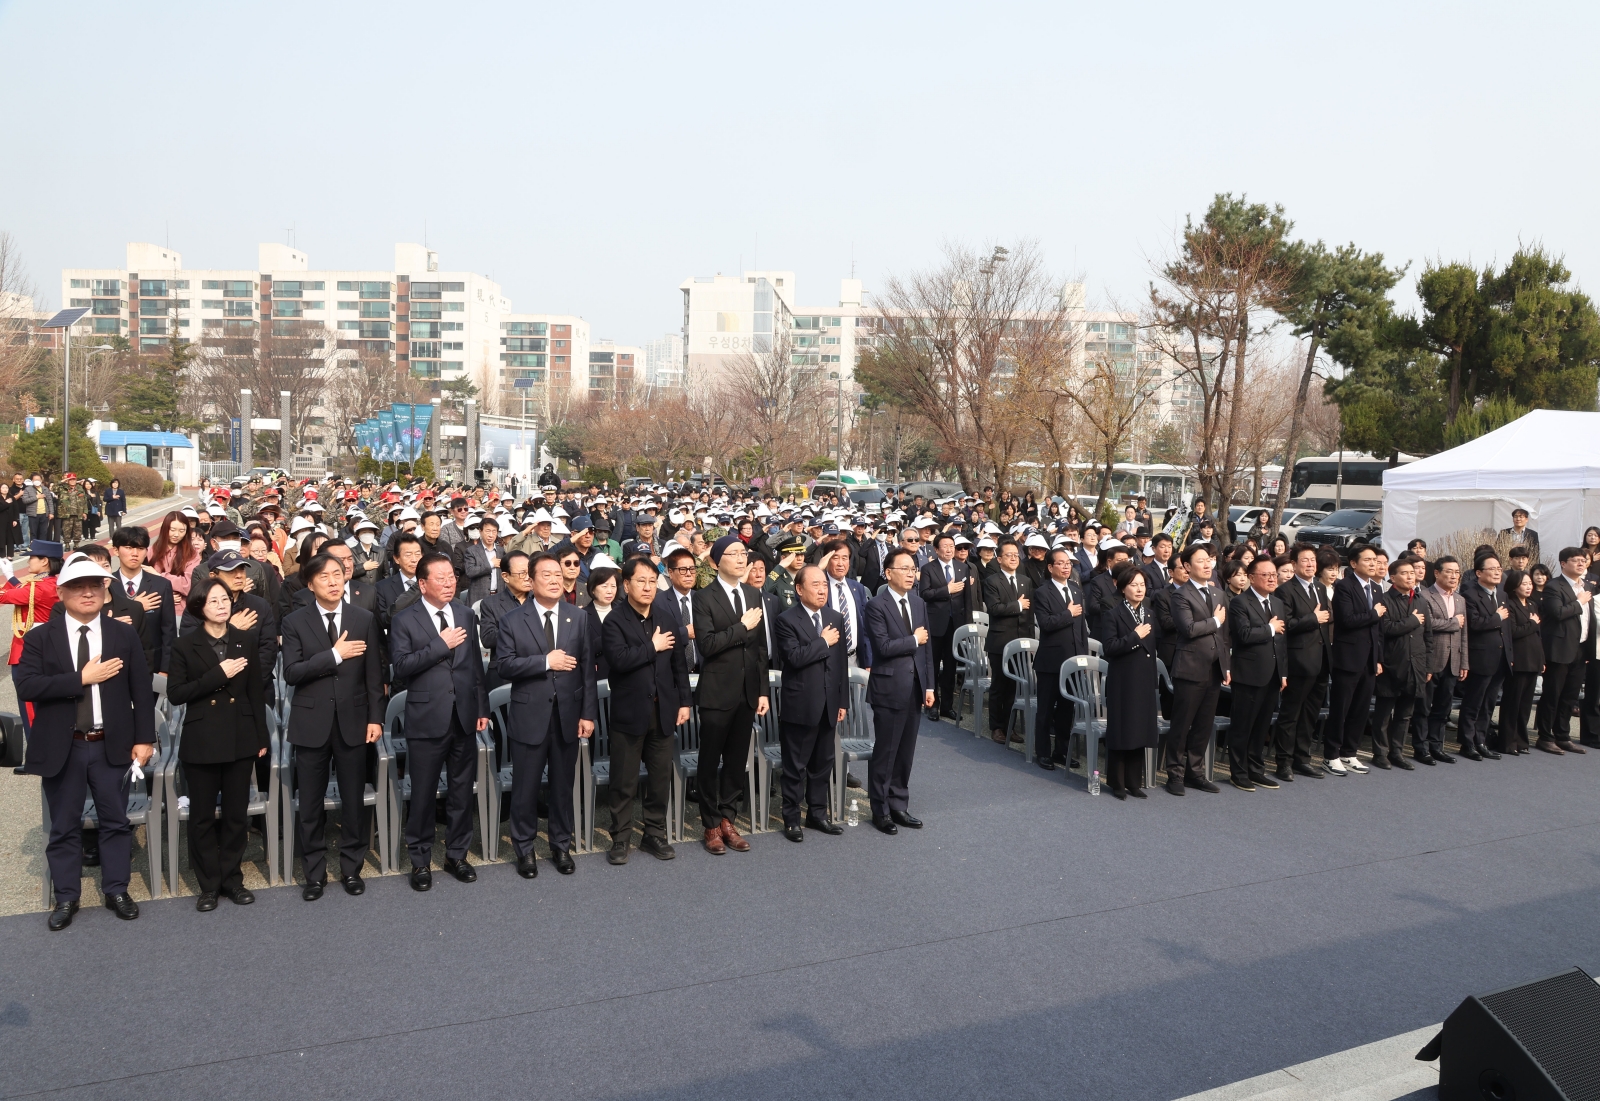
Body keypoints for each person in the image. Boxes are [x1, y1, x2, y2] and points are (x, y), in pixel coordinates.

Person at [17, 554, 155, 930]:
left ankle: (116, 889)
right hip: (65, 746)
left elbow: (142, 692)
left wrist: (145, 738)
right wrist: (81, 678)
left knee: (115, 821)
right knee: (64, 825)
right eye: (77, 586)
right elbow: (27, 685)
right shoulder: (40, 637)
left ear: (104, 589)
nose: (87, 592)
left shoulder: (122, 634)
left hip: (111, 744)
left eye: (94, 584)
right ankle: (66, 897)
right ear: (61, 592)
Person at [281, 551, 385, 899]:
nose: (333, 581)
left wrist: (375, 717)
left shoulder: (362, 617)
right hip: (311, 723)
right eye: (324, 576)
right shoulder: (295, 621)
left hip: (354, 721)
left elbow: (374, 675)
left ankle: (352, 868)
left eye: (338, 574)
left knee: (353, 800)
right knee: (310, 803)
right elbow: (292, 672)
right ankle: (314, 873)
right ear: (310, 584)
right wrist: (335, 655)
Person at [389, 551, 491, 890]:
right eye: (441, 578)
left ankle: (457, 854)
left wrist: (481, 708)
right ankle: (419, 860)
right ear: (422, 584)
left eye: (452, 577)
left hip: (463, 715)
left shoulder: (464, 613)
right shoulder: (405, 619)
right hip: (426, 718)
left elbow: (475, 666)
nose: (450, 583)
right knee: (422, 793)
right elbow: (401, 668)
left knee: (462, 791)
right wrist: (439, 645)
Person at [166, 576, 268, 911]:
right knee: (202, 817)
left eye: (225, 599)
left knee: (237, 816)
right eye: (214, 601)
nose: (222, 605)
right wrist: (218, 675)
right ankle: (208, 884)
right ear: (199, 606)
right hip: (202, 738)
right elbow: (177, 694)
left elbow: (255, 691)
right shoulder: (185, 645)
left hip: (240, 735)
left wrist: (261, 736)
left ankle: (232, 880)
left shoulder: (245, 640)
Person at [495, 551, 598, 878]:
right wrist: (544, 661)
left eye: (559, 574)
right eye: (547, 575)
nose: (555, 580)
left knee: (562, 786)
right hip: (530, 716)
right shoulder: (513, 619)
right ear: (530, 579)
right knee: (524, 788)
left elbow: (587, 671)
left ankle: (560, 844)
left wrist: (588, 713)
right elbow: (504, 666)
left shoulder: (577, 616)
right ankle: (524, 848)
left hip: (568, 715)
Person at [601, 556, 689, 864]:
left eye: (653, 581)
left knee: (659, 778)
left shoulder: (665, 616)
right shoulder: (614, 620)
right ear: (626, 585)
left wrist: (684, 703)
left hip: (663, 710)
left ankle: (654, 834)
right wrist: (652, 647)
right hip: (630, 712)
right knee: (623, 781)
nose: (648, 587)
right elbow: (619, 660)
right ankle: (620, 838)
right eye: (641, 581)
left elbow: (679, 665)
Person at [690, 535, 769, 855]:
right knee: (710, 761)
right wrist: (742, 626)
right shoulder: (703, 597)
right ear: (717, 560)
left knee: (737, 761)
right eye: (733, 554)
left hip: (747, 691)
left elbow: (760, 649)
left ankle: (728, 819)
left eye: (743, 554)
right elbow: (706, 645)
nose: (741, 559)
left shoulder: (753, 592)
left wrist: (762, 690)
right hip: (716, 690)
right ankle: (710, 824)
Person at [774, 564, 849, 841]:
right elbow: (793, 658)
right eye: (815, 585)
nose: (822, 589)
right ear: (799, 589)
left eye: (824, 585)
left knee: (823, 764)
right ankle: (791, 818)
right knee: (795, 767)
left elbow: (839, 663)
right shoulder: (786, 620)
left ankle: (818, 814)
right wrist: (822, 641)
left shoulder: (834, 617)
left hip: (829, 703)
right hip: (801, 705)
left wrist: (843, 701)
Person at [863, 547, 935, 833]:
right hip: (889, 686)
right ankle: (879, 809)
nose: (910, 573)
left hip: (915, 686)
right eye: (904, 568)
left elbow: (927, 649)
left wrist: (929, 685)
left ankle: (899, 805)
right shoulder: (876, 605)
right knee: (886, 750)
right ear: (888, 572)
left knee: (906, 751)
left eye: (913, 568)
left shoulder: (918, 603)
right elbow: (882, 647)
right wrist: (912, 639)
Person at [1165, 544, 1229, 796]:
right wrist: (1214, 621)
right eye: (1200, 561)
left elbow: (1224, 636)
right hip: (1190, 668)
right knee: (1182, 724)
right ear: (1187, 567)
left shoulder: (1219, 594)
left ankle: (1196, 772)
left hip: (1213, 669)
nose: (1206, 564)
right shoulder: (1181, 595)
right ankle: (1175, 773)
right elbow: (1188, 629)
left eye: (1209, 560)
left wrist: (1226, 666)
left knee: (1204, 724)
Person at [1270, 545, 1331, 781]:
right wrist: (1312, 619)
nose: (1310, 564)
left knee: (1310, 713)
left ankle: (1302, 758)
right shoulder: (1285, 591)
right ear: (1294, 564)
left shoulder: (1320, 587)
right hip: (1298, 660)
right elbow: (1286, 625)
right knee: (1291, 713)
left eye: (1313, 560)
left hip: (1321, 660)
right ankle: (1283, 762)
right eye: (1305, 560)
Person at [1226, 556, 1287, 792]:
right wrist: (1270, 628)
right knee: (1243, 726)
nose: (1273, 578)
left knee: (1262, 727)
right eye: (1266, 574)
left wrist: (1283, 672)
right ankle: (1238, 773)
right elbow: (1243, 635)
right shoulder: (1240, 603)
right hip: (1249, 673)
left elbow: (1281, 641)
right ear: (1251, 578)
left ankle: (1256, 769)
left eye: (1274, 574)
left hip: (1272, 674)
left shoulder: (1277, 603)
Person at [1323, 544, 1385, 776]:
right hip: (1348, 657)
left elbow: (1378, 630)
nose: (1373, 564)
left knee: (1360, 709)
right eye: (1367, 560)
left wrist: (1378, 658)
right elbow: (1346, 620)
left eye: (1375, 560)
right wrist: (1373, 614)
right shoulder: (1344, 586)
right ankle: (1331, 755)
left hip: (1369, 658)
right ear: (1354, 564)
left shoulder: (1377, 589)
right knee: (1341, 708)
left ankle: (1350, 752)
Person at [1100, 565, 1159, 799]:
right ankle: (1117, 782)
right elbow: (1109, 647)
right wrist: (1135, 637)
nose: (1139, 589)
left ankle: (1135, 782)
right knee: (1122, 728)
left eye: (1142, 584)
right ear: (1123, 588)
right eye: (1133, 585)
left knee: (1140, 729)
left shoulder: (1149, 613)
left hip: (1144, 678)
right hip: (1123, 679)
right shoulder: (1112, 614)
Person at [1533, 547, 1593, 755]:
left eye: (1583, 560)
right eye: (1575, 560)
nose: (1581, 563)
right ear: (1563, 564)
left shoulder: (1584, 586)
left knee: (1570, 695)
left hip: (1581, 648)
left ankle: (1563, 735)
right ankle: (1545, 736)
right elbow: (1558, 613)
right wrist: (1579, 602)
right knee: (1553, 693)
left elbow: (1588, 620)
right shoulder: (1553, 586)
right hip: (1559, 648)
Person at [1032, 547, 1088, 771]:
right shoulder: (1042, 592)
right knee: (1046, 709)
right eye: (1061, 563)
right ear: (1050, 567)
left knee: (1067, 709)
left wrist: (1082, 657)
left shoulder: (1075, 589)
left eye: (1069, 564)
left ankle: (1061, 751)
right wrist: (1067, 614)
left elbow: (1082, 628)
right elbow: (1045, 624)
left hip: (1073, 659)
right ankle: (1043, 752)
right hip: (1051, 660)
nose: (1066, 567)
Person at [1370, 558, 1429, 770]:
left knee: (1405, 714)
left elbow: (1427, 636)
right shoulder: (1384, 600)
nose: (1410, 576)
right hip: (1391, 665)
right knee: (1384, 713)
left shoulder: (1421, 601)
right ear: (1392, 578)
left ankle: (1397, 752)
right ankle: (1380, 753)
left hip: (1416, 665)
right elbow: (1385, 629)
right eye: (1405, 573)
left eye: (1412, 573)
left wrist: (1427, 666)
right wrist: (1412, 621)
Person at [1416, 555, 1468, 765]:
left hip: (1453, 661)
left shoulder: (1460, 599)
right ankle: (1421, 747)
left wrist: (1464, 661)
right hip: (1431, 659)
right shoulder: (1425, 596)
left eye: (1457, 572)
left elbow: (1464, 633)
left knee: (1443, 708)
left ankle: (1436, 746)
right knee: (1423, 707)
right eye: (1449, 571)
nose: (1454, 576)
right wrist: (1453, 622)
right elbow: (1427, 625)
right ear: (1436, 573)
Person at [982, 539, 1035, 744]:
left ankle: (1010, 726)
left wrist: (1029, 641)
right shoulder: (992, 581)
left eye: (1016, 554)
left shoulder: (1025, 581)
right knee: (999, 685)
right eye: (1008, 555)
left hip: (1021, 640)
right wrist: (1017, 605)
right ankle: (996, 727)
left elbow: (1029, 616)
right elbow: (994, 609)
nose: (1013, 558)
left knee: (1014, 686)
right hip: (1000, 641)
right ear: (999, 559)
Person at [1458, 553, 1510, 761]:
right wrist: (1497, 617)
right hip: (1480, 656)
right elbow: (1476, 624)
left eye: (1499, 568)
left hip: (1500, 657)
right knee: (1473, 702)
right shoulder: (1470, 594)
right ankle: (1467, 742)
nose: (1498, 572)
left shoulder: (1503, 594)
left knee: (1489, 703)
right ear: (1479, 573)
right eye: (1492, 569)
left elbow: (1506, 629)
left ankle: (1481, 740)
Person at [917, 532, 973, 720]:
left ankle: (947, 706)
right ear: (936, 549)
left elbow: (967, 599)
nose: (949, 549)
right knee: (932, 664)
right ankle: (933, 705)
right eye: (945, 546)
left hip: (955, 624)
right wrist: (946, 590)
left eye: (952, 545)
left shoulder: (962, 568)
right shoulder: (928, 569)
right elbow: (924, 594)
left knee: (950, 666)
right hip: (934, 623)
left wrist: (967, 625)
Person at [1500, 567, 1543, 755]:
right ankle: (1508, 742)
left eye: (1529, 584)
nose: (1528, 587)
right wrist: (1532, 624)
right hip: (1518, 659)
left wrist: (1541, 659)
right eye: (1524, 583)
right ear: (1514, 586)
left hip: (1533, 659)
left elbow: (1538, 636)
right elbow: (1514, 632)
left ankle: (1521, 741)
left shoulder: (1532, 605)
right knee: (1512, 703)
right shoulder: (1509, 604)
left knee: (1525, 705)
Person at [584, 564, 620, 681]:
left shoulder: (623, 613)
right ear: (593, 589)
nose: (610, 591)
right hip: (596, 678)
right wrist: (609, 636)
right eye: (604, 586)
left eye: (613, 586)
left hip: (623, 676)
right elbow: (582, 650)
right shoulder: (582, 616)